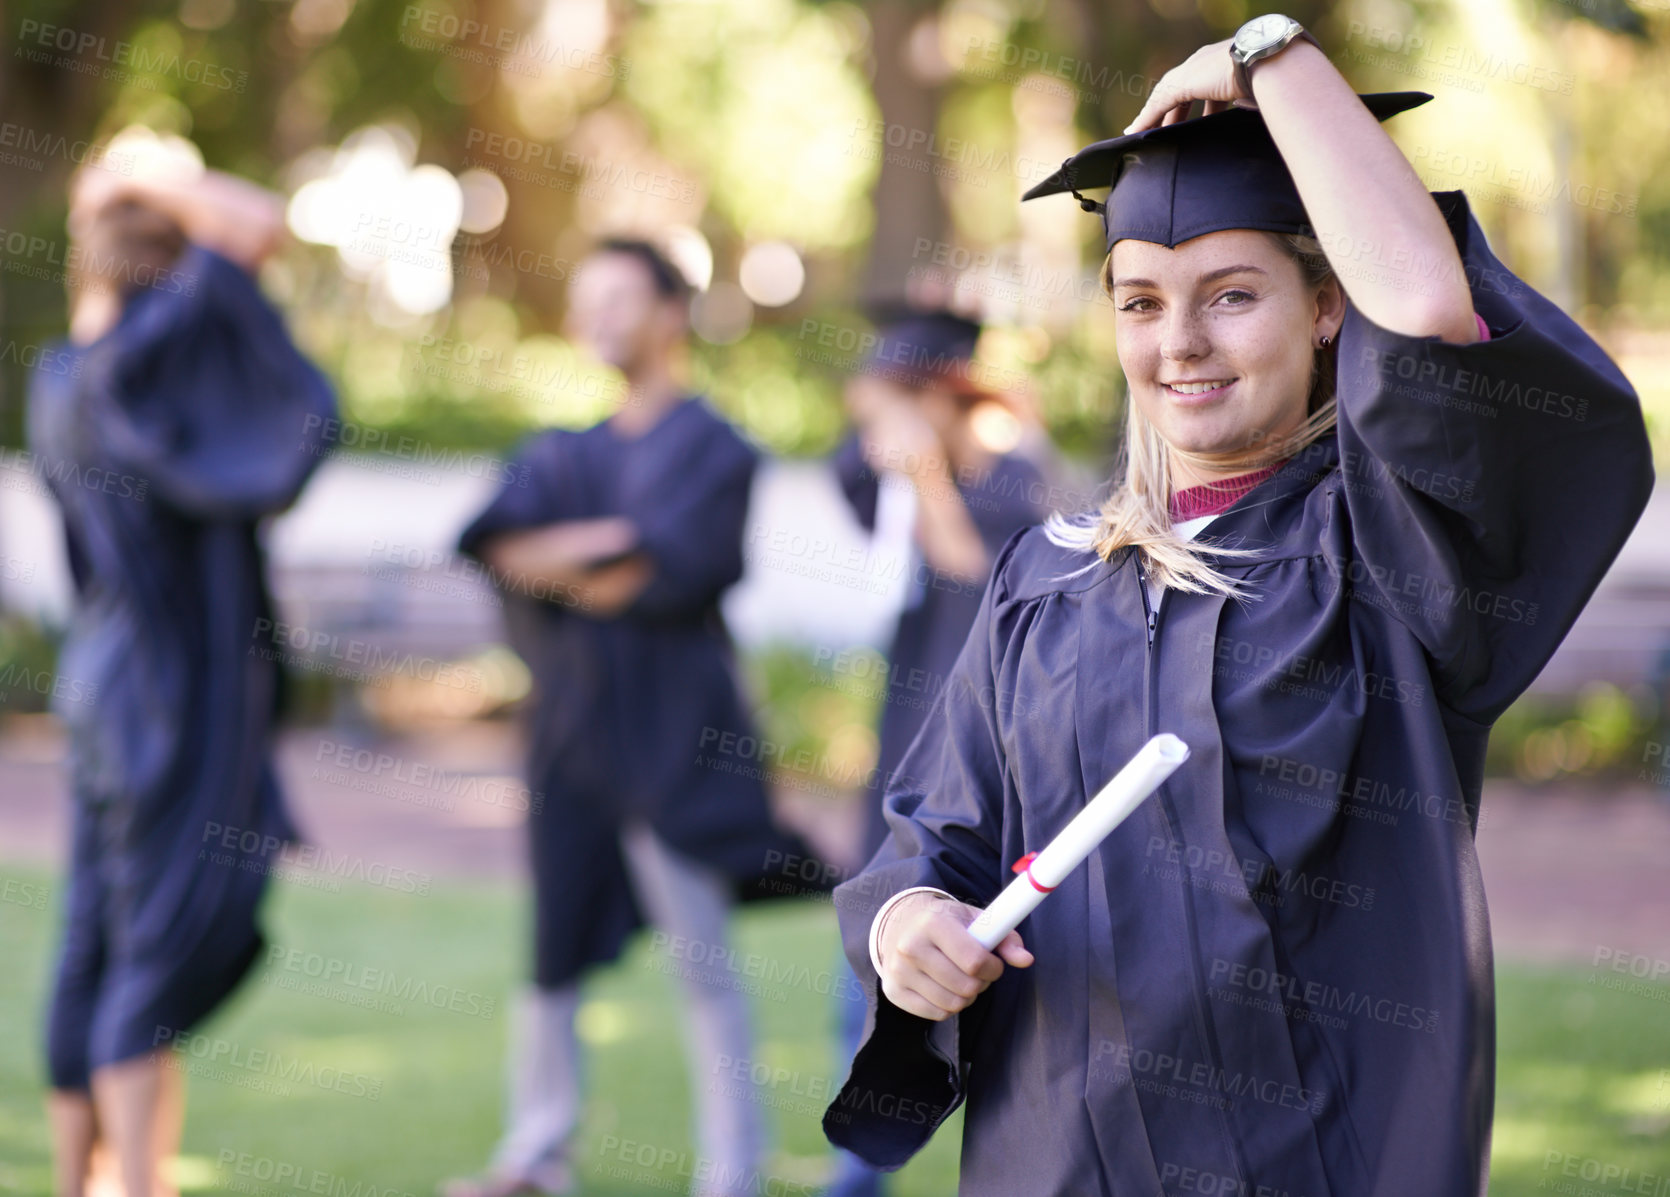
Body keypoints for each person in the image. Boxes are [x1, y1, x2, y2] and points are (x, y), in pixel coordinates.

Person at [822, 19, 1653, 1197]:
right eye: (1139, 302)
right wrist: (906, 928)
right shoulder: (1045, 581)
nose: (1179, 344)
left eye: (1229, 294)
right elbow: (933, 837)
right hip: (1058, 1158)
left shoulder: (1382, 550)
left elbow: (1422, 312)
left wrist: (1270, 60)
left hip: (1315, 1158)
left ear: (1323, 307)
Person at [446, 239, 821, 1197]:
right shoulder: (560, 451)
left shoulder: (716, 449)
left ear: (668, 313)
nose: (598, 316)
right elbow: (493, 548)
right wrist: (602, 547)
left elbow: (645, 581)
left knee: (703, 966)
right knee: (552, 951)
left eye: (618, 296)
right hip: (569, 736)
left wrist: (562, 560)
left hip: (675, 745)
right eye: (586, 299)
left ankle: (732, 1170)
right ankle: (534, 1156)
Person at [32, 164, 335, 1197]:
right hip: (167, 699)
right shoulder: (152, 370)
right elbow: (259, 226)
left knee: (92, 942)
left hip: (97, 682)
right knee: (151, 952)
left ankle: (85, 1182)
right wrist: (160, 179)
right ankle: (142, 1186)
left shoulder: (63, 376)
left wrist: (123, 205)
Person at [825, 310, 1046, 1197]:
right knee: (867, 970)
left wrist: (925, 471)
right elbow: (848, 473)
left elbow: (976, 573)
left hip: (981, 787)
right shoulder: (901, 478)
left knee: (980, 1000)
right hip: (896, 770)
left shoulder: (1015, 485)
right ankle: (858, 1171)